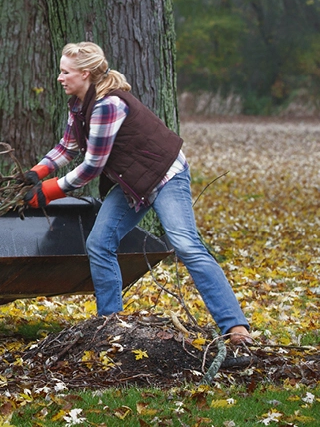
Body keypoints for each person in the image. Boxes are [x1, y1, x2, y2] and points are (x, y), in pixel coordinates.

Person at [23, 41, 252, 345]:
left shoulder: (107, 105)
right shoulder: (78, 105)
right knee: (99, 243)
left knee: (185, 245)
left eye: (66, 72)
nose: (60, 78)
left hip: (165, 177)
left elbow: (92, 166)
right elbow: (67, 147)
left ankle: (236, 327)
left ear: (86, 74)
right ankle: (110, 325)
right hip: (134, 183)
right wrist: (36, 172)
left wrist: (49, 191)